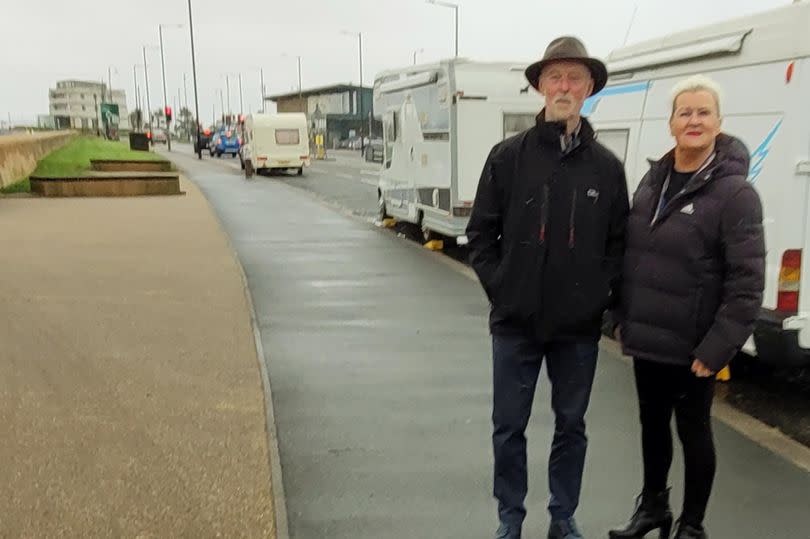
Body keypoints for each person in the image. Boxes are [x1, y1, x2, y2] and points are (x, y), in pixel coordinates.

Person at [466, 36, 629, 539]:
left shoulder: (606, 167)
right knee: (508, 428)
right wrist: (503, 289)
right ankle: (510, 519)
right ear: (539, 86)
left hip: (576, 332)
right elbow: (479, 233)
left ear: (589, 89)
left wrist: (601, 302)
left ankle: (562, 516)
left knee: (571, 426)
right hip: (515, 325)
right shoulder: (507, 157)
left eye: (575, 78)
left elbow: (618, 246)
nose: (564, 86)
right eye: (555, 76)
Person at [609, 75, 765, 539]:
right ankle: (653, 507)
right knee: (651, 426)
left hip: (695, 344)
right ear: (671, 123)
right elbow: (631, 252)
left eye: (703, 112)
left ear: (719, 122)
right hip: (648, 336)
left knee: (694, 432)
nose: (693, 120)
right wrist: (617, 315)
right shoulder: (652, 179)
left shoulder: (735, 194)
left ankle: (692, 525)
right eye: (685, 112)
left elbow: (747, 280)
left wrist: (718, 346)